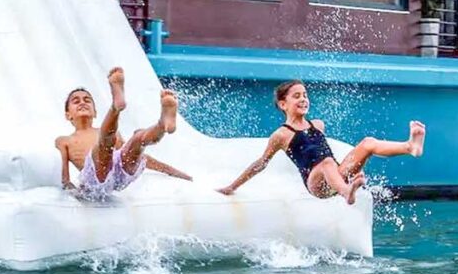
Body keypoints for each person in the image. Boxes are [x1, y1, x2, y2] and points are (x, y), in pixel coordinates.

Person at [216, 80, 426, 205]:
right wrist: (232, 186)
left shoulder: (317, 124)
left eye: (305, 95)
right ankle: (347, 193)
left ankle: (410, 147)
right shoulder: (281, 135)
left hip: (337, 176)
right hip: (316, 185)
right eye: (296, 96)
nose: (303, 99)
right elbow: (261, 163)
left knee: (368, 143)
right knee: (326, 163)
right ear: (283, 104)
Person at [55, 67, 191, 199]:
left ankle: (162, 124)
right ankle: (115, 107)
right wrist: (77, 194)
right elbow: (65, 179)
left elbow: (138, 156)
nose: (82, 103)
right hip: (94, 181)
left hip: (120, 175)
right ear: (68, 115)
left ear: (95, 112)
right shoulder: (64, 141)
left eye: (87, 100)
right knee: (104, 144)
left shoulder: (111, 133)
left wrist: (175, 172)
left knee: (137, 139)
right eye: (76, 101)